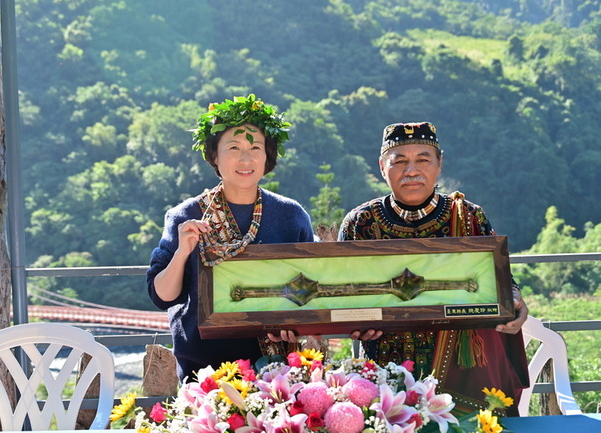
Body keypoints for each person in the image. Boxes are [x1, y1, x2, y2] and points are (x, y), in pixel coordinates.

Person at [338, 121, 530, 416]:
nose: (411, 170)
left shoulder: (469, 217)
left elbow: (499, 278)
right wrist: (352, 324)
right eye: (399, 161)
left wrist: (515, 300)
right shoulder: (360, 223)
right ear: (381, 166)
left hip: (462, 372)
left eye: (423, 159)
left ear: (439, 164)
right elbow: (341, 294)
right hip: (385, 378)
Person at [147, 95, 314, 381]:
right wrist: (182, 252)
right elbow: (162, 296)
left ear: (267, 155)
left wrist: (297, 323)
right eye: (233, 147)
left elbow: (310, 289)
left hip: (276, 370)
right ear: (214, 155)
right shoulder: (187, 215)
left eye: (255, 148)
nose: (246, 159)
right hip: (205, 372)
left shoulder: (291, 214)